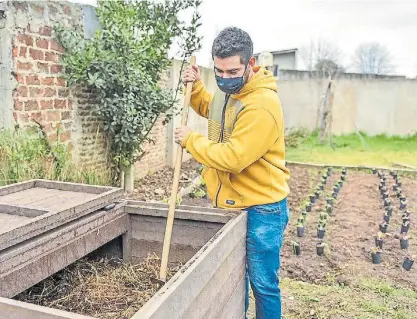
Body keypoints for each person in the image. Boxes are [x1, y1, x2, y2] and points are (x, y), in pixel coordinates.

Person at [174, 27, 290, 319]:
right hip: (235, 202)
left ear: (250, 65)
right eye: (219, 72)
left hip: (262, 207)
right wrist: (197, 88)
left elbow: (234, 157)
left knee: (263, 284)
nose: (224, 79)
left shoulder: (261, 105)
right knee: (234, 279)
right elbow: (212, 109)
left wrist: (190, 140)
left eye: (232, 71)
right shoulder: (232, 92)